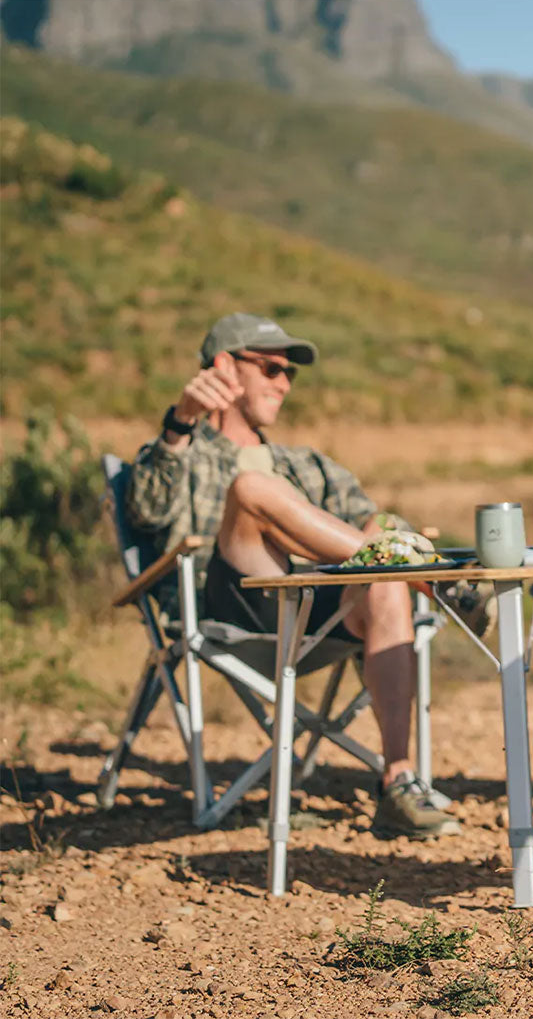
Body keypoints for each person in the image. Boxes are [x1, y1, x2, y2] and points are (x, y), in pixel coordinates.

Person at [126, 313, 464, 839]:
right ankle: (435, 580)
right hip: (230, 608)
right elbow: (143, 514)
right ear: (224, 366)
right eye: (271, 368)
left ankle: (398, 779)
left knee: (383, 557)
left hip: (313, 611)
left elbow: (369, 522)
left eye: (290, 373)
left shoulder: (305, 462)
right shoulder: (183, 453)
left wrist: (383, 535)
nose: (284, 382)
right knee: (252, 491)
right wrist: (179, 423)